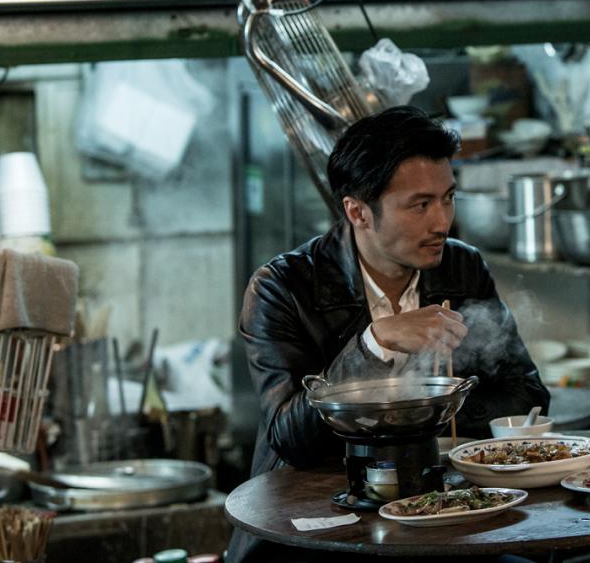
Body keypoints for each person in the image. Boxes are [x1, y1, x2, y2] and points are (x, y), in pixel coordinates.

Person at [228, 106, 549, 563]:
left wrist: (422, 412)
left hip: (440, 515)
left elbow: (527, 397)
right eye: (420, 205)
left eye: (448, 198)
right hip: (317, 530)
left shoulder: (461, 267)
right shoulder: (284, 287)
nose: (442, 222)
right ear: (358, 211)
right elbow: (292, 438)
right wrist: (373, 345)